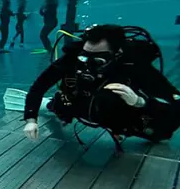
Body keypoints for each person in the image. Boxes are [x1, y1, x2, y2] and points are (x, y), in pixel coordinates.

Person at [22, 24, 180, 149]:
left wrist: (141, 103)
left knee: (163, 133)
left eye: (97, 60)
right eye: (85, 56)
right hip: (80, 103)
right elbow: (39, 86)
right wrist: (31, 118)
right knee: (63, 100)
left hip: (122, 115)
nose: (88, 64)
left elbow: (177, 106)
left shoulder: (134, 66)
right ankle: (52, 104)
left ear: (117, 53)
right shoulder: (73, 58)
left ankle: (120, 129)